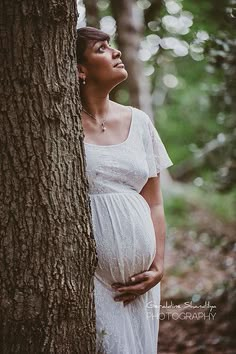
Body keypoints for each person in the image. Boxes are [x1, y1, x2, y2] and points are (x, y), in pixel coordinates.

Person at [76, 26, 173, 354]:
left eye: (112, 46)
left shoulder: (140, 122)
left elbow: (154, 201)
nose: (116, 52)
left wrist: (158, 265)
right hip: (90, 279)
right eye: (102, 49)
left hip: (143, 283)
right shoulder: (60, 123)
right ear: (79, 69)